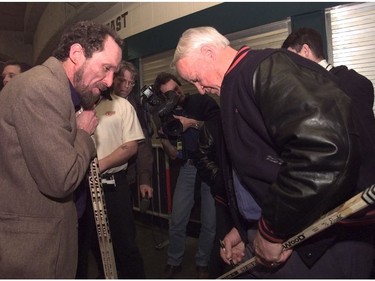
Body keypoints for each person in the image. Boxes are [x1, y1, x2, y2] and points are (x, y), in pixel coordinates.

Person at [171, 26, 374, 278]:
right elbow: (261, 169)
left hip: (322, 242)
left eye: (196, 79)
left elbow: (323, 149)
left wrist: (272, 230)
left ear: (209, 52)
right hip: (285, 233)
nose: (199, 89)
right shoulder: (238, 84)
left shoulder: (266, 68)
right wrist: (244, 228)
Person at [0, 20, 122, 278]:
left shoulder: (58, 90)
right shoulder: (43, 88)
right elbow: (61, 178)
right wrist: (84, 134)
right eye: (106, 68)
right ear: (77, 54)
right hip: (33, 253)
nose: (110, 81)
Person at [86, 61, 153, 279]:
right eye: (121, 80)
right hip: (84, 189)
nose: (125, 85)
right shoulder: (78, 107)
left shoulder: (124, 106)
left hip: (116, 185)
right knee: (95, 245)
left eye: (130, 82)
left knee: (125, 244)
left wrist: (99, 166)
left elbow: (137, 146)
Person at [153, 72, 218, 278]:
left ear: (180, 86)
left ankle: (203, 261)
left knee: (210, 220)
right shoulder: (167, 112)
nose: (175, 94)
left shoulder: (202, 100)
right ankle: (174, 260)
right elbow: (170, 147)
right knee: (178, 218)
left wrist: (192, 123)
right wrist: (165, 141)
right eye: (169, 94)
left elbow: (220, 127)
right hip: (188, 166)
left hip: (210, 165)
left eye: (176, 89)